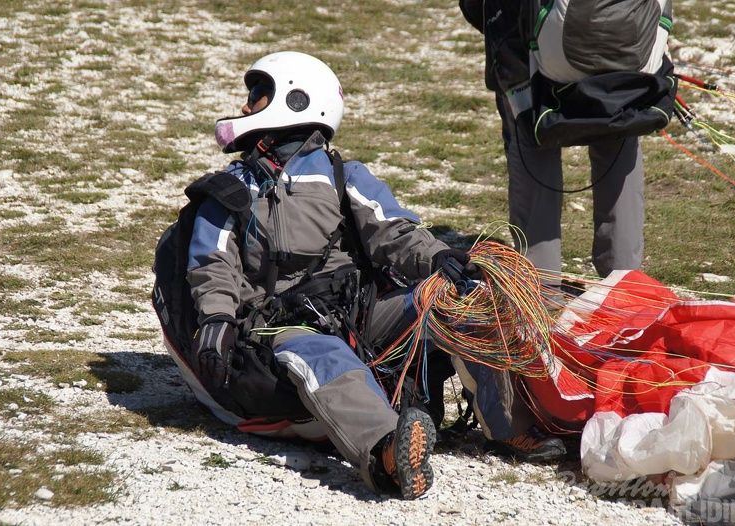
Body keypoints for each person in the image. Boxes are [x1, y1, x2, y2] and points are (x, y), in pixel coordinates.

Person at [183, 50, 565, 501]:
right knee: (326, 358)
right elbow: (212, 264)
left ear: (297, 99)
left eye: (257, 95)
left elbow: (396, 232)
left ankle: (509, 427)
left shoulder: (343, 174)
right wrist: (216, 320)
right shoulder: (231, 188)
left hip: (360, 312)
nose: (246, 107)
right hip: (282, 326)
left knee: (458, 301)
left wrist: (439, 258)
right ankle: (389, 454)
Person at [458, 0, 646, 302]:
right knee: (617, 132)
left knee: (532, 141)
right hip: (623, 38)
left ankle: (541, 291)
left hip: (521, 41)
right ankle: (624, 288)